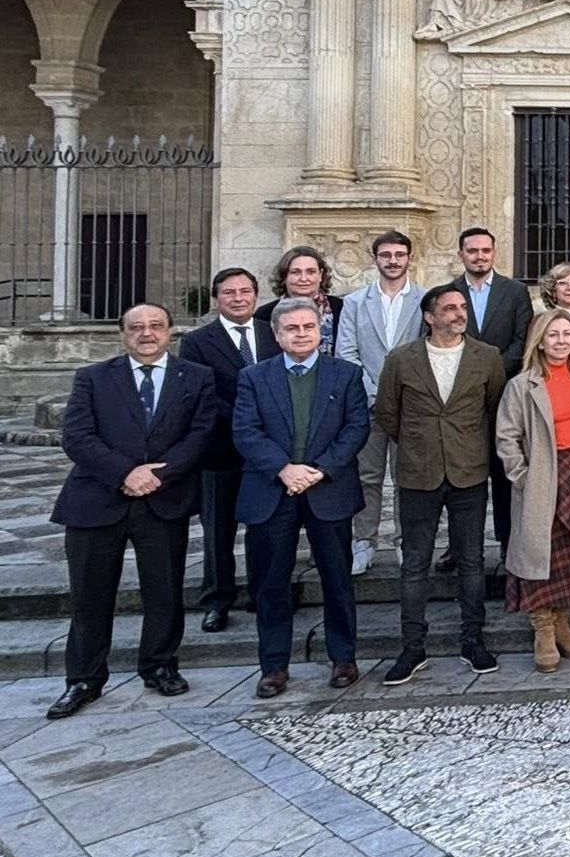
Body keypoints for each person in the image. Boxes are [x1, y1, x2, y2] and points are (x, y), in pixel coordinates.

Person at [46, 304, 219, 719]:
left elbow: (201, 434)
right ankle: (84, 679)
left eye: (156, 326)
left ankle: (159, 665)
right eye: (136, 327)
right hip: (97, 501)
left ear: (170, 332)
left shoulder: (196, 378)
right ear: (123, 335)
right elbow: (77, 436)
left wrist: (158, 475)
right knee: (90, 597)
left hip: (162, 500)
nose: (147, 334)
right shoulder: (93, 378)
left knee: (163, 591)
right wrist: (126, 473)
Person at [231, 297, 371, 698]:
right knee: (271, 583)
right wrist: (284, 469)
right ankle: (274, 666)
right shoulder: (254, 377)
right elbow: (246, 431)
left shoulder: (346, 374)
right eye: (292, 328)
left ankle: (343, 657)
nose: (301, 334)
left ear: (320, 330)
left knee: (338, 580)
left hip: (328, 490)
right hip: (273, 491)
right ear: (276, 334)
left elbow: (355, 427)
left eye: (308, 327)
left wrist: (320, 469)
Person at [374, 284, 509, 685]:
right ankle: (412, 646)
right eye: (449, 308)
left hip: (469, 471)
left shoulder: (487, 357)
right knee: (415, 563)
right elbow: (387, 413)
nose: (458, 313)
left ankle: (473, 639)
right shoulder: (401, 359)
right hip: (419, 473)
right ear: (430, 316)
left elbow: (495, 410)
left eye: (462, 307)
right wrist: (421, 444)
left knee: (471, 559)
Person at [496, 310, 570, 673]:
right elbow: (506, 436)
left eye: (567, 334)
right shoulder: (522, 384)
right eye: (553, 335)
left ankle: (563, 622)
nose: (561, 341)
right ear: (540, 341)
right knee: (543, 551)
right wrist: (523, 476)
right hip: (543, 474)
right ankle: (542, 629)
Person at [178, 267, 276, 632]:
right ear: (216, 298)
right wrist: (245, 423)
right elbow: (200, 396)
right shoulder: (198, 342)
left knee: (263, 526)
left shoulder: (273, 333)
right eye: (229, 292)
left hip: (268, 452)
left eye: (245, 291)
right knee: (218, 529)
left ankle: (260, 591)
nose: (238, 298)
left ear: (256, 294)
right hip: (221, 450)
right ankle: (217, 600)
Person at [334, 230, 423, 575]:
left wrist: (401, 396)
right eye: (386, 255)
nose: (393, 261)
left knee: (408, 477)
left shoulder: (425, 300)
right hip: (366, 404)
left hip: (410, 407)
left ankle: (405, 540)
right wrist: (375, 394)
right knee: (367, 476)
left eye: (399, 255)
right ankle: (364, 542)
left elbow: (426, 351)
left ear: (409, 258)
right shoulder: (355, 303)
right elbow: (346, 353)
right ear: (375, 259)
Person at [450, 227, 534, 558]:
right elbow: (443, 337)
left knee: (504, 474)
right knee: (461, 476)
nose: (479, 256)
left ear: (494, 253)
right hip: (461, 400)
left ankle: (507, 541)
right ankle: (459, 547)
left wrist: (490, 370)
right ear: (461, 255)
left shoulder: (514, 292)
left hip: (504, 394)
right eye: (472, 251)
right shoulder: (448, 292)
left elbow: (522, 338)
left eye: (485, 250)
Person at [255, 245, 342, 350]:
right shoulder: (264, 314)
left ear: (320, 275)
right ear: (284, 276)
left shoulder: (341, 308)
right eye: (295, 272)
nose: (304, 278)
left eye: (311, 272)